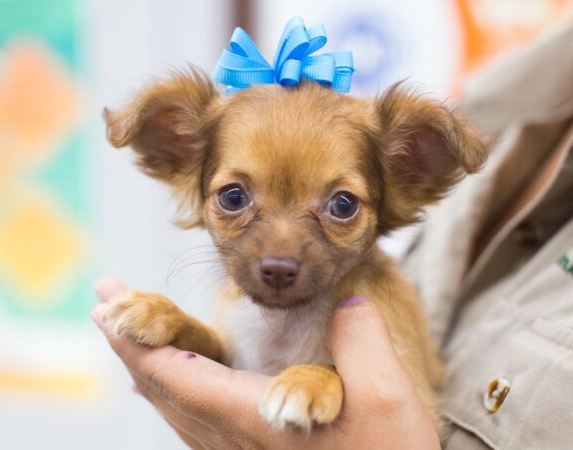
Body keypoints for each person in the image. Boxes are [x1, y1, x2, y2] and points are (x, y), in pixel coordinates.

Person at [92, 21, 573, 449]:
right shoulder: (235, 302)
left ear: (410, 171)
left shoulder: (380, 314)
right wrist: (179, 330)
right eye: (235, 199)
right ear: (179, 154)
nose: (279, 255)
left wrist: (324, 381)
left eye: (340, 207)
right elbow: (226, 360)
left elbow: (404, 407)